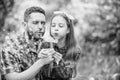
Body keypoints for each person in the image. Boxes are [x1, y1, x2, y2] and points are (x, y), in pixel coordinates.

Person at [0, 6, 54, 80]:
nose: (40, 27)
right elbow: (12, 78)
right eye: (35, 23)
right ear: (24, 25)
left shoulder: (47, 45)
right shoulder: (10, 48)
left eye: (43, 23)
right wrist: (41, 62)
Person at [38, 11, 81, 80]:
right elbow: (40, 73)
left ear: (68, 30)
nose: (56, 28)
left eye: (60, 26)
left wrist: (59, 61)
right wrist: (39, 59)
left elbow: (67, 75)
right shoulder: (45, 45)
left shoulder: (74, 50)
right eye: (53, 25)